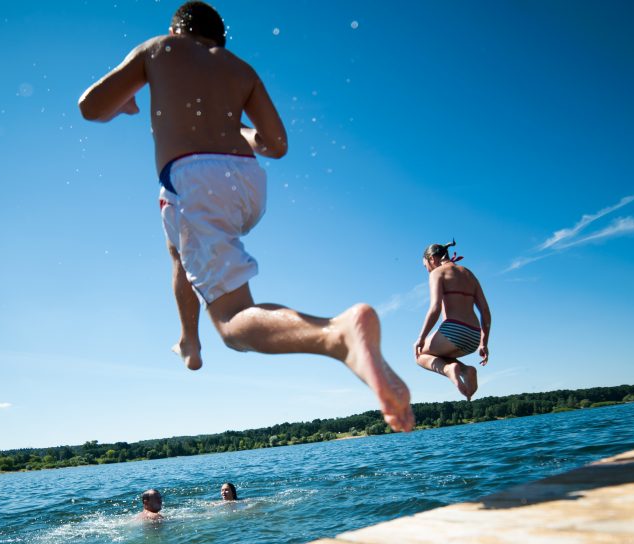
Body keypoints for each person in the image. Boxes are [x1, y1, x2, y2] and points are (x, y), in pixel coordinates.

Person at [78, 2, 414, 432]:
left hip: (193, 177)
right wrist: (234, 130)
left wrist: (124, 102)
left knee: (234, 323)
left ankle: (335, 334)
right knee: (179, 247)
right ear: (219, 37)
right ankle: (190, 342)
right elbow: (276, 144)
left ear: (177, 29)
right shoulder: (240, 68)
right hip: (247, 183)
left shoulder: (160, 48)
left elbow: (91, 106)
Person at [414, 240, 491, 400]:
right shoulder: (469, 274)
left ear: (432, 259)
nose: (427, 270)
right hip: (474, 337)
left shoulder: (438, 273)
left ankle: (450, 371)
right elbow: (485, 311)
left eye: (425, 265)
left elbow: (435, 308)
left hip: (453, 330)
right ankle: (466, 370)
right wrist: (484, 343)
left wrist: (421, 338)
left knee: (420, 355)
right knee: (441, 357)